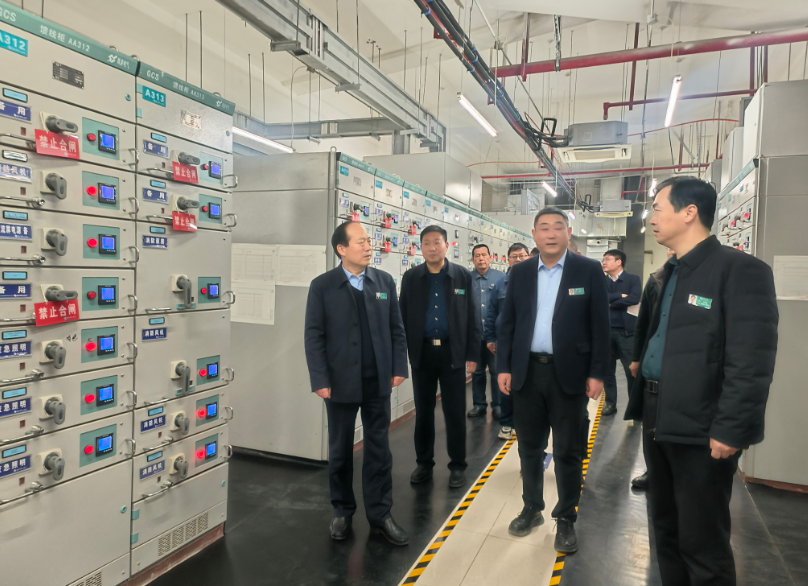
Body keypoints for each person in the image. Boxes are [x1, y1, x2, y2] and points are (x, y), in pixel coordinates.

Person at [624, 177, 778, 585]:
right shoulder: (668, 273)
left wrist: (731, 428)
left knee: (702, 539)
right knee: (666, 528)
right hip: (658, 413)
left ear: (689, 212)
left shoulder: (740, 271)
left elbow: (752, 361)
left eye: (658, 209)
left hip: (702, 424)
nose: (651, 218)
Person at [497, 207, 610, 552]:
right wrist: (504, 366)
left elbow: (600, 326)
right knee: (529, 448)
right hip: (527, 372)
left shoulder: (588, 270)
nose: (550, 233)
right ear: (534, 234)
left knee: (568, 450)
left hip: (570, 374)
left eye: (557, 227)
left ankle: (566, 518)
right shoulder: (520, 272)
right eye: (543, 228)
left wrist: (598, 373)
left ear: (568, 232)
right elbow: (508, 322)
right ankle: (532, 508)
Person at [304, 221, 410, 545]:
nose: (368, 246)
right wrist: (319, 378)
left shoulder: (383, 281)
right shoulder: (323, 286)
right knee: (340, 450)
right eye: (360, 241)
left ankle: (380, 514)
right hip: (338, 383)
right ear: (341, 249)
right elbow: (313, 335)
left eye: (368, 240)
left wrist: (398, 366)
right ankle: (342, 510)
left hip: (377, 380)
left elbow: (396, 328)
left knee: (379, 450)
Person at [399, 225, 480, 489]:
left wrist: (472, 353)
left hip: (452, 352)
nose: (432, 248)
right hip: (422, 352)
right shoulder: (411, 277)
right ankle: (424, 463)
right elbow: (401, 317)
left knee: (454, 411)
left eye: (437, 242)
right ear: (420, 247)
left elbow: (473, 317)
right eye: (426, 243)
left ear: (447, 245)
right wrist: (402, 355)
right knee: (423, 412)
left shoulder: (462, 276)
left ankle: (457, 465)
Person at [628, 247, 675, 490]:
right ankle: (653, 470)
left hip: (682, 374)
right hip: (653, 374)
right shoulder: (656, 279)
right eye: (669, 248)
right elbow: (643, 323)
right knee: (651, 428)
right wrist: (636, 358)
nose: (672, 250)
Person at [484, 242, 530, 440]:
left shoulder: (536, 281)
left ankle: (525, 423)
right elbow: (491, 312)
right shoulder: (500, 284)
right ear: (508, 259)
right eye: (514, 256)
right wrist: (490, 337)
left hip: (529, 342)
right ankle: (507, 423)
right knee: (505, 382)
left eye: (522, 256)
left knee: (528, 384)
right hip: (505, 342)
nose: (518, 260)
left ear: (529, 257)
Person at [601, 250, 641, 416]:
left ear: (619, 262)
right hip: (606, 332)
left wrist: (611, 302)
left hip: (626, 333)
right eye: (603, 259)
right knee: (607, 371)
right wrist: (619, 296)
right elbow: (599, 299)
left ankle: (634, 406)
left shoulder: (633, 279)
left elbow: (634, 298)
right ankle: (610, 404)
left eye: (607, 259)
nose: (604, 262)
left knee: (631, 371)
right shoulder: (601, 280)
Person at [468, 244, 505, 419]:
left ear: (490, 257)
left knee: (496, 371)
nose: (481, 258)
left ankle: (498, 405)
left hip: (494, 336)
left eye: (484, 255)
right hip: (475, 337)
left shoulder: (500, 278)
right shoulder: (467, 279)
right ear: (472, 259)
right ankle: (479, 405)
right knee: (477, 372)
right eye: (477, 255)